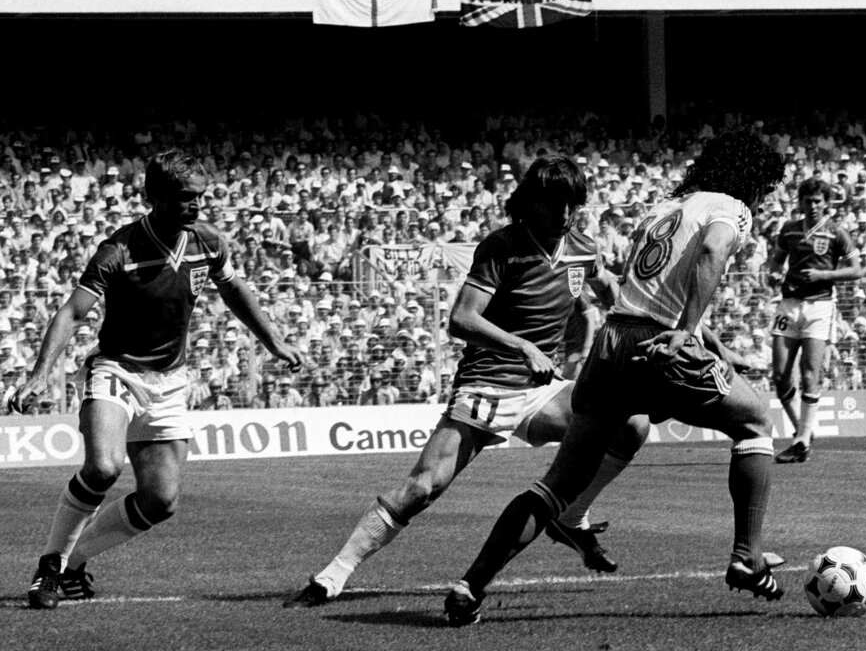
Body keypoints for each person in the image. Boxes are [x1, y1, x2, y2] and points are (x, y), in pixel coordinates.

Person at [442, 130, 787, 626]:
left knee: (559, 483)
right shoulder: (731, 207)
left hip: (611, 342)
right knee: (754, 421)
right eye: (765, 186)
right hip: (656, 345)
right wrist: (687, 333)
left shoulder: (666, 207)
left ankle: (469, 585)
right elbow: (712, 253)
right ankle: (747, 556)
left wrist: (712, 343)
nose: (763, 195)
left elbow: (645, 290)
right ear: (752, 178)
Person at [284, 155, 650, 608]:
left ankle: (571, 515)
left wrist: (596, 331)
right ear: (531, 203)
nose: (564, 215)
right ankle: (331, 576)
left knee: (631, 423)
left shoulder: (582, 247)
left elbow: (602, 287)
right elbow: (461, 319)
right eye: (554, 205)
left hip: (541, 392)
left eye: (572, 205)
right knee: (422, 488)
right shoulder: (502, 247)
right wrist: (523, 347)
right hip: (487, 385)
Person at [11, 150, 303, 610]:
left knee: (160, 500)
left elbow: (234, 291)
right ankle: (49, 567)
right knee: (104, 468)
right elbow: (72, 311)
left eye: (201, 198)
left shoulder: (208, 241)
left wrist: (274, 341)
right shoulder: (119, 250)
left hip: (170, 380)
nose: (197, 206)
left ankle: (74, 563)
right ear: (155, 197)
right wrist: (39, 375)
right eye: (186, 198)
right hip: (116, 370)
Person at [768, 177, 863, 463]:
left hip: (820, 307)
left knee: (810, 374)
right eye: (808, 201)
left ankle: (800, 442)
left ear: (826, 204)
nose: (812, 206)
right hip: (788, 305)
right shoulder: (789, 230)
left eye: (818, 201)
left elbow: (857, 270)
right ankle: (803, 431)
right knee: (780, 375)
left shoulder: (837, 233)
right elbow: (776, 261)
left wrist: (825, 276)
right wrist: (772, 273)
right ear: (801, 202)